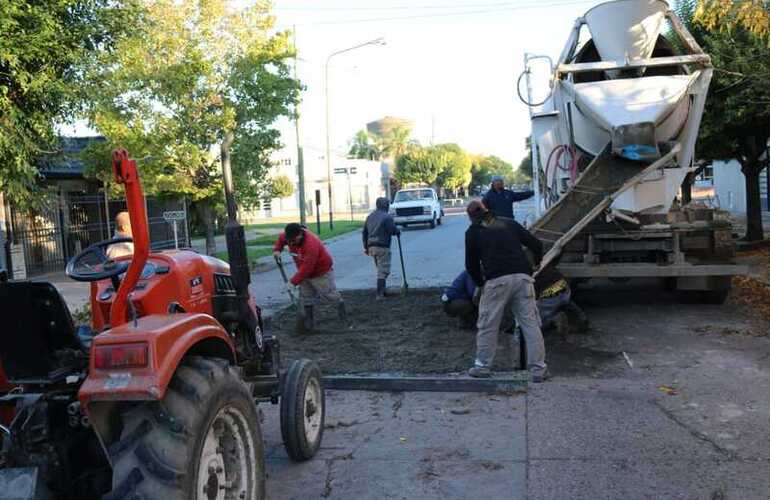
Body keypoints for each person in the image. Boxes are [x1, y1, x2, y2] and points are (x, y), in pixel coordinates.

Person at [464, 199, 548, 381]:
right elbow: (537, 244)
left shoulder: (472, 232)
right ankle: (538, 369)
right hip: (523, 278)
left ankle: (482, 367)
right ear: (486, 209)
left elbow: (471, 265)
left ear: (470, 217)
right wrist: (536, 263)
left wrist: (480, 283)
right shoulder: (509, 223)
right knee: (530, 324)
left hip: (496, 281)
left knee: (488, 325)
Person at [273, 223, 347, 331]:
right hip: (303, 272)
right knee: (306, 297)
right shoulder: (289, 236)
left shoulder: (311, 244)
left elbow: (308, 268)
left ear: (299, 235)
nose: (291, 243)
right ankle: (309, 323)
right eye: (289, 240)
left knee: (329, 294)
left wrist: (292, 282)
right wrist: (277, 250)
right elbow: (281, 239)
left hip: (321, 272)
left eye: (293, 240)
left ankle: (342, 313)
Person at [534, 261, 588, 335]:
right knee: (563, 302)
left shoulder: (523, 272)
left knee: (536, 325)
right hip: (564, 288)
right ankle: (578, 317)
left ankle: (555, 319)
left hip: (550, 296)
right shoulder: (541, 260)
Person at [363, 197, 400, 299]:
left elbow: (364, 233)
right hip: (382, 246)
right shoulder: (387, 217)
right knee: (383, 270)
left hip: (371, 247)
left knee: (380, 269)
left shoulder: (370, 216)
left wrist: (366, 247)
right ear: (386, 206)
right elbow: (392, 230)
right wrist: (397, 231)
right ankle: (380, 293)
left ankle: (383, 290)